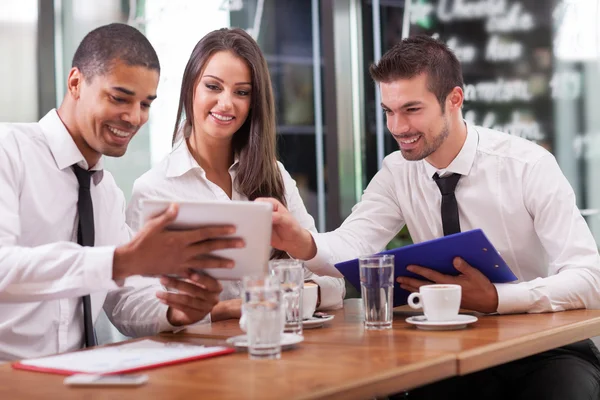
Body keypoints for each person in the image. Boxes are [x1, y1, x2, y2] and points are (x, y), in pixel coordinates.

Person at [259, 35, 600, 399]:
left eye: (412, 109)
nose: (397, 127)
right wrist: (303, 241)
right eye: (388, 111)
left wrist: (498, 298)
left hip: (544, 347)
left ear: (454, 100)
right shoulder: (396, 172)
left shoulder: (528, 166)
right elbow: (355, 243)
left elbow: (590, 278)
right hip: (446, 346)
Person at [0, 23, 244, 361]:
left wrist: (177, 311)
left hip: (77, 377)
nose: (134, 117)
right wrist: (120, 261)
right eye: (119, 98)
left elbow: (125, 297)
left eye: (145, 104)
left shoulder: (106, 193)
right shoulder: (8, 151)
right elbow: (3, 267)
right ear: (75, 83)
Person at [126, 28, 344, 322]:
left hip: (279, 351)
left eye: (241, 92)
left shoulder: (274, 175)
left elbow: (333, 280)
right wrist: (227, 309)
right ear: (191, 86)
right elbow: (133, 309)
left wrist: (301, 290)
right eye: (213, 87)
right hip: (201, 360)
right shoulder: (155, 189)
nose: (226, 103)